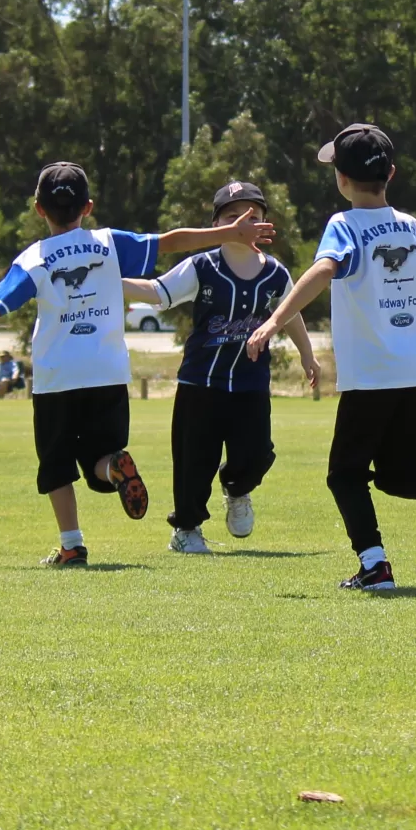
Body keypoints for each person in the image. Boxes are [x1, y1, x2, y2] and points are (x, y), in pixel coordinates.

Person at [0, 162, 275, 568]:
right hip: (109, 373)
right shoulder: (109, 243)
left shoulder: (34, 258)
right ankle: (113, 465)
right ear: (88, 207)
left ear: (38, 209)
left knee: (57, 465)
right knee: (99, 459)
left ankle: (72, 545)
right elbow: (171, 241)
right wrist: (228, 233)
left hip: (57, 377)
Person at [241, 123, 416, 591]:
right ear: (391, 173)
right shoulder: (412, 227)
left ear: (341, 180)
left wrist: (274, 319)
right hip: (415, 377)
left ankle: (374, 566)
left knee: (344, 476)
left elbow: (324, 268)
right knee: (395, 474)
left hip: (369, 381)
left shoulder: (344, 226)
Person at [134, 179, 319, 554]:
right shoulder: (201, 267)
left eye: (252, 215)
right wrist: (107, 280)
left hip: (250, 383)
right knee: (193, 462)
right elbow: (156, 293)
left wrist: (307, 353)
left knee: (256, 454)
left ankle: (237, 489)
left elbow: (290, 312)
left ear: (265, 223)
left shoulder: (276, 274)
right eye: (232, 215)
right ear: (217, 223)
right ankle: (186, 530)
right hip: (200, 382)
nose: (242, 222)